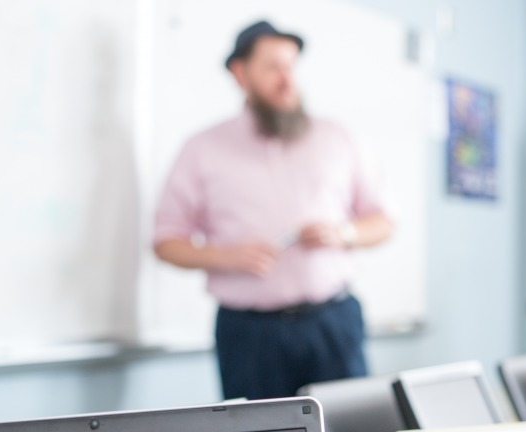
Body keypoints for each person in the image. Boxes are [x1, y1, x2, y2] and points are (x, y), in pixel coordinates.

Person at [154, 20, 394, 400]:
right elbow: (166, 241)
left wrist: (344, 233)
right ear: (240, 72)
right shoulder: (201, 149)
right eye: (272, 68)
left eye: (290, 67)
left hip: (332, 322)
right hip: (249, 335)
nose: (286, 80)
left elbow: (382, 222)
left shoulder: (337, 137)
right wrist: (226, 256)